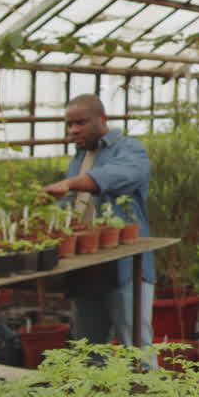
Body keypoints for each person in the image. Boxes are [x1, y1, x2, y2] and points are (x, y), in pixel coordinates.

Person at [42, 94, 154, 348]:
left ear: (102, 120)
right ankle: (93, 387)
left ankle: (148, 389)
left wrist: (71, 183)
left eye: (80, 123)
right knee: (88, 346)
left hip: (125, 264)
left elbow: (119, 175)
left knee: (136, 344)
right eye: (69, 124)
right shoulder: (79, 157)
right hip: (86, 263)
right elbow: (74, 203)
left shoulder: (128, 148)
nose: (73, 130)